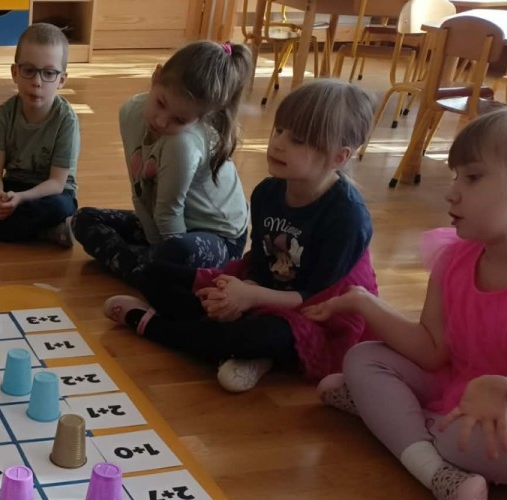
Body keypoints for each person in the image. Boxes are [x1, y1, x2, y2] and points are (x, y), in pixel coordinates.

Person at [311, 106, 507, 500]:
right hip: (458, 385)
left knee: (489, 445)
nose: (452, 192)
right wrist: (365, 303)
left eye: (473, 177)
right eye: (456, 176)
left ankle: (388, 416)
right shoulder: (455, 258)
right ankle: (432, 466)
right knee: (364, 358)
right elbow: (432, 349)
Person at [102, 79, 377, 393]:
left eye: (298, 140)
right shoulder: (267, 192)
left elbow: (314, 297)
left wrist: (249, 297)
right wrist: (238, 295)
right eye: (279, 130)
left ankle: (152, 326)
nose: (278, 143)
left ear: (339, 157)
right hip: (265, 291)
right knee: (154, 275)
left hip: (318, 313)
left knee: (265, 335)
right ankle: (234, 347)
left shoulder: (348, 217)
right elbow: (259, 264)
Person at [73, 40, 251, 284]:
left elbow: (168, 213)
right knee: (84, 219)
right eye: (161, 103)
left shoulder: (183, 144)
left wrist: (162, 258)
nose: (161, 121)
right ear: (156, 77)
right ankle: (146, 270)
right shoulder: (130, 112)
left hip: (220, 237)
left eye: (179, 120)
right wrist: (156, 253)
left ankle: (142, 268)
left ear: (202, 118)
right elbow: (141, 193)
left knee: (177, 251)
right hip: (168, 222)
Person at [0, 23, 80, 247]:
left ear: (62, 80)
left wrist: (20, 199)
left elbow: (57, 184)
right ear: (15, 73)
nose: (37, 82)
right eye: (29, 70)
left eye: (49, 73)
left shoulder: (66, 120)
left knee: (60, 207)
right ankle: (44, 232)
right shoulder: (5, 113)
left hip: (47, 194)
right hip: (12, 187)